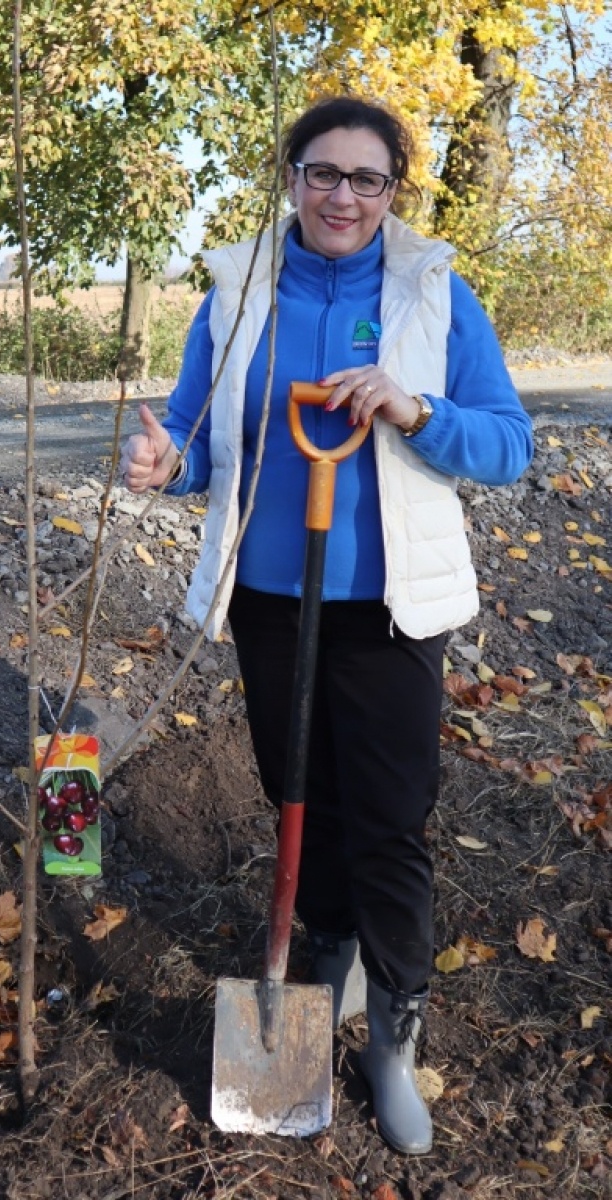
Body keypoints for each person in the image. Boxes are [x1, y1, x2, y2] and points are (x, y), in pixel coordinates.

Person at [121, 94, 533, 1155]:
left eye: (367, 179)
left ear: (392, 190)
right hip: (270, 597)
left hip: (390, 611)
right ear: (290, 175)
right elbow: (201, 435)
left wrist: (416, 409)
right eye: (323, 173)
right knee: (297, 785)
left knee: (388, 816)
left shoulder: (433, 294)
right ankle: (333, 953)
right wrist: (169, 464)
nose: (342, 196)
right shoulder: (240, 289)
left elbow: (508, 445)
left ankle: (391, 1035)